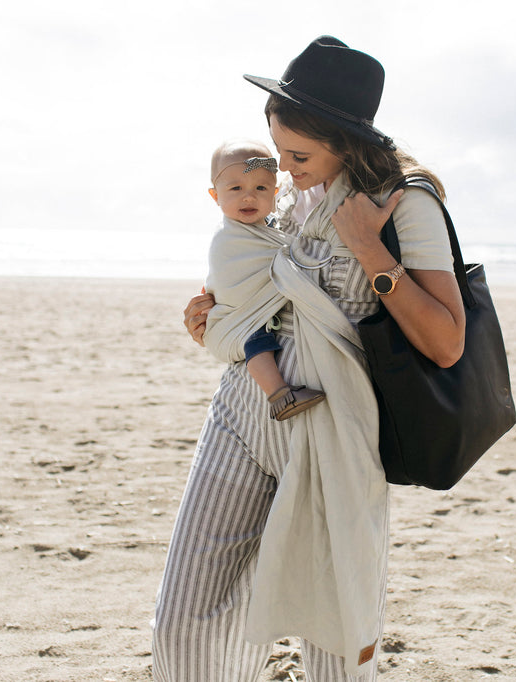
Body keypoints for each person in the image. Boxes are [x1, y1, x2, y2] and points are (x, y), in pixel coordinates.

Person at [152, 36, 466, 682]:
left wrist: (371, 252)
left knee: (333, 630)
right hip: (244, 414)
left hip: (333, 437)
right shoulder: (289, 200)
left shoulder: (406, 204)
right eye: (280, 152)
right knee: (186, 614)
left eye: (299, 155)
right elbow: (268, 287)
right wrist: (215, 319)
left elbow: (446, 340)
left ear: (346, 143)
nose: (286, 171)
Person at [205, 139, 327, 421]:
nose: (249, 197)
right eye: (236, 188)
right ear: (215, 196)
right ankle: (279, 395)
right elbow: (229, 277)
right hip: (238, 315)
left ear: (274, 193)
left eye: (260, 188)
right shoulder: (228, 238)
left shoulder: (271, 229)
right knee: (257, 342)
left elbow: (283, 254)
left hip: (257, 311)